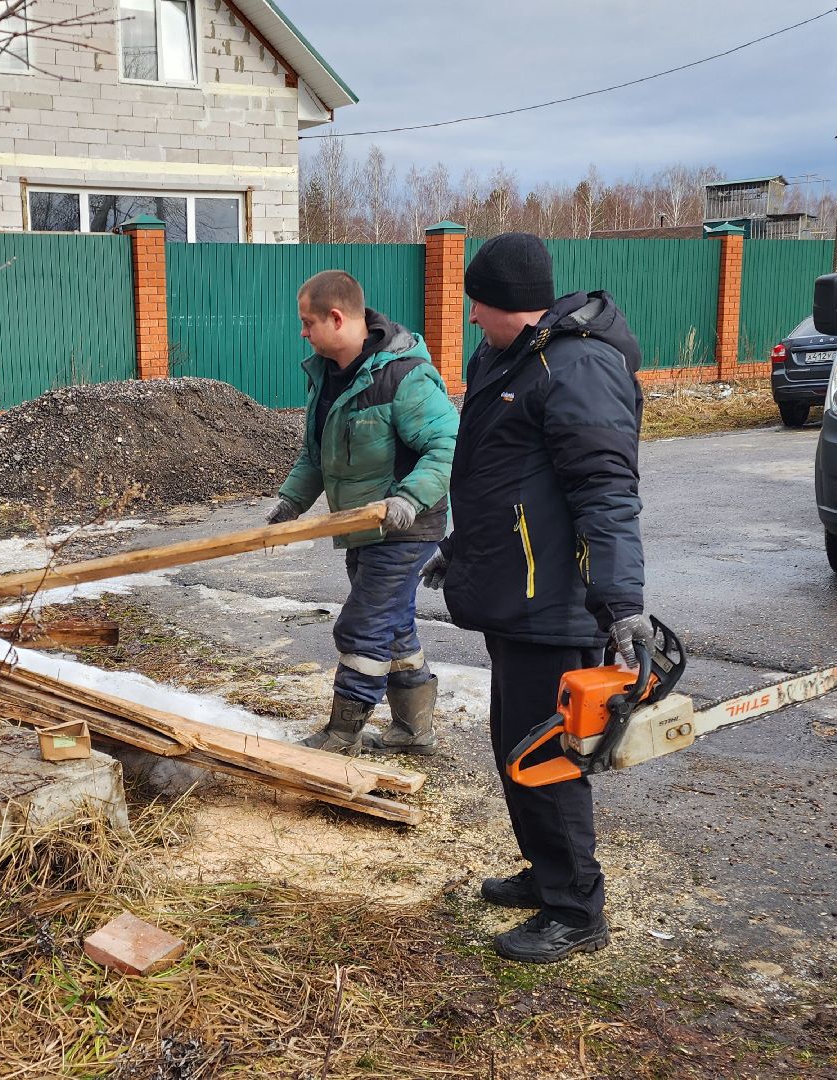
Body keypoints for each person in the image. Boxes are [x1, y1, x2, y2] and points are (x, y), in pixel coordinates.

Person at [421, 232, 650, 963]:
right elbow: (503, 480)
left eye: (477, 306)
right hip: (513, 591)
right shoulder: (509, 357)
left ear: (503, 304)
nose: (472, 320)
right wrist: (460, 550)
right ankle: (545, 871)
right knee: (511, 746)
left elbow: (606, 493)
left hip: (554, 601)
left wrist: (621, 602)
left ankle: (576, 909)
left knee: (544, 759)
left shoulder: (576, 367)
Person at [268, 270, 459, 757]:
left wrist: (409, 500)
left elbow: (448, 445)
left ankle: (342, 734)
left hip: (406, 528)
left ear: (336, 317)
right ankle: (414, 731)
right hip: (360, 528)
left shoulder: (403, 375)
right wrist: (292, 502)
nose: (303, 332)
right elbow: (316, 455)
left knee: (363, 625)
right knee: (394, 626)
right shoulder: (327, 377)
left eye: (307, 322)